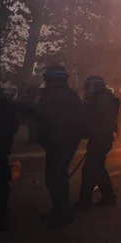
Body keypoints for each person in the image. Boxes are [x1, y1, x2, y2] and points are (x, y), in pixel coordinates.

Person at [30, 65, 84, 228]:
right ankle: (59, 209)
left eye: (47, 79)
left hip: (58, 144)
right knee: (57, 177)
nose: (45, 82)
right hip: (66, 143)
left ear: (53, 80)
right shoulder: (71, 95)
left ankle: (63, 215)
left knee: (55, 179)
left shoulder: (52, 96)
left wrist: (21, 107)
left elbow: (40, 114)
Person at [76, 76, 120, 210]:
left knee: (89, 169)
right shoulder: (105, 98)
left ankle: (84, 202)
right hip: (103, 138)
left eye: (88, 87)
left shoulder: (101, 100)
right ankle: (108, 197)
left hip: (100, 138)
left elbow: (95, 121)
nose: (86, 90)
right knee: (99, 168)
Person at [0, 87, 20, 231]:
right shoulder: (7, 105)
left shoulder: (6, 105)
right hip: (1, 150)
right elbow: (14, 125)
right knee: (1, 185)